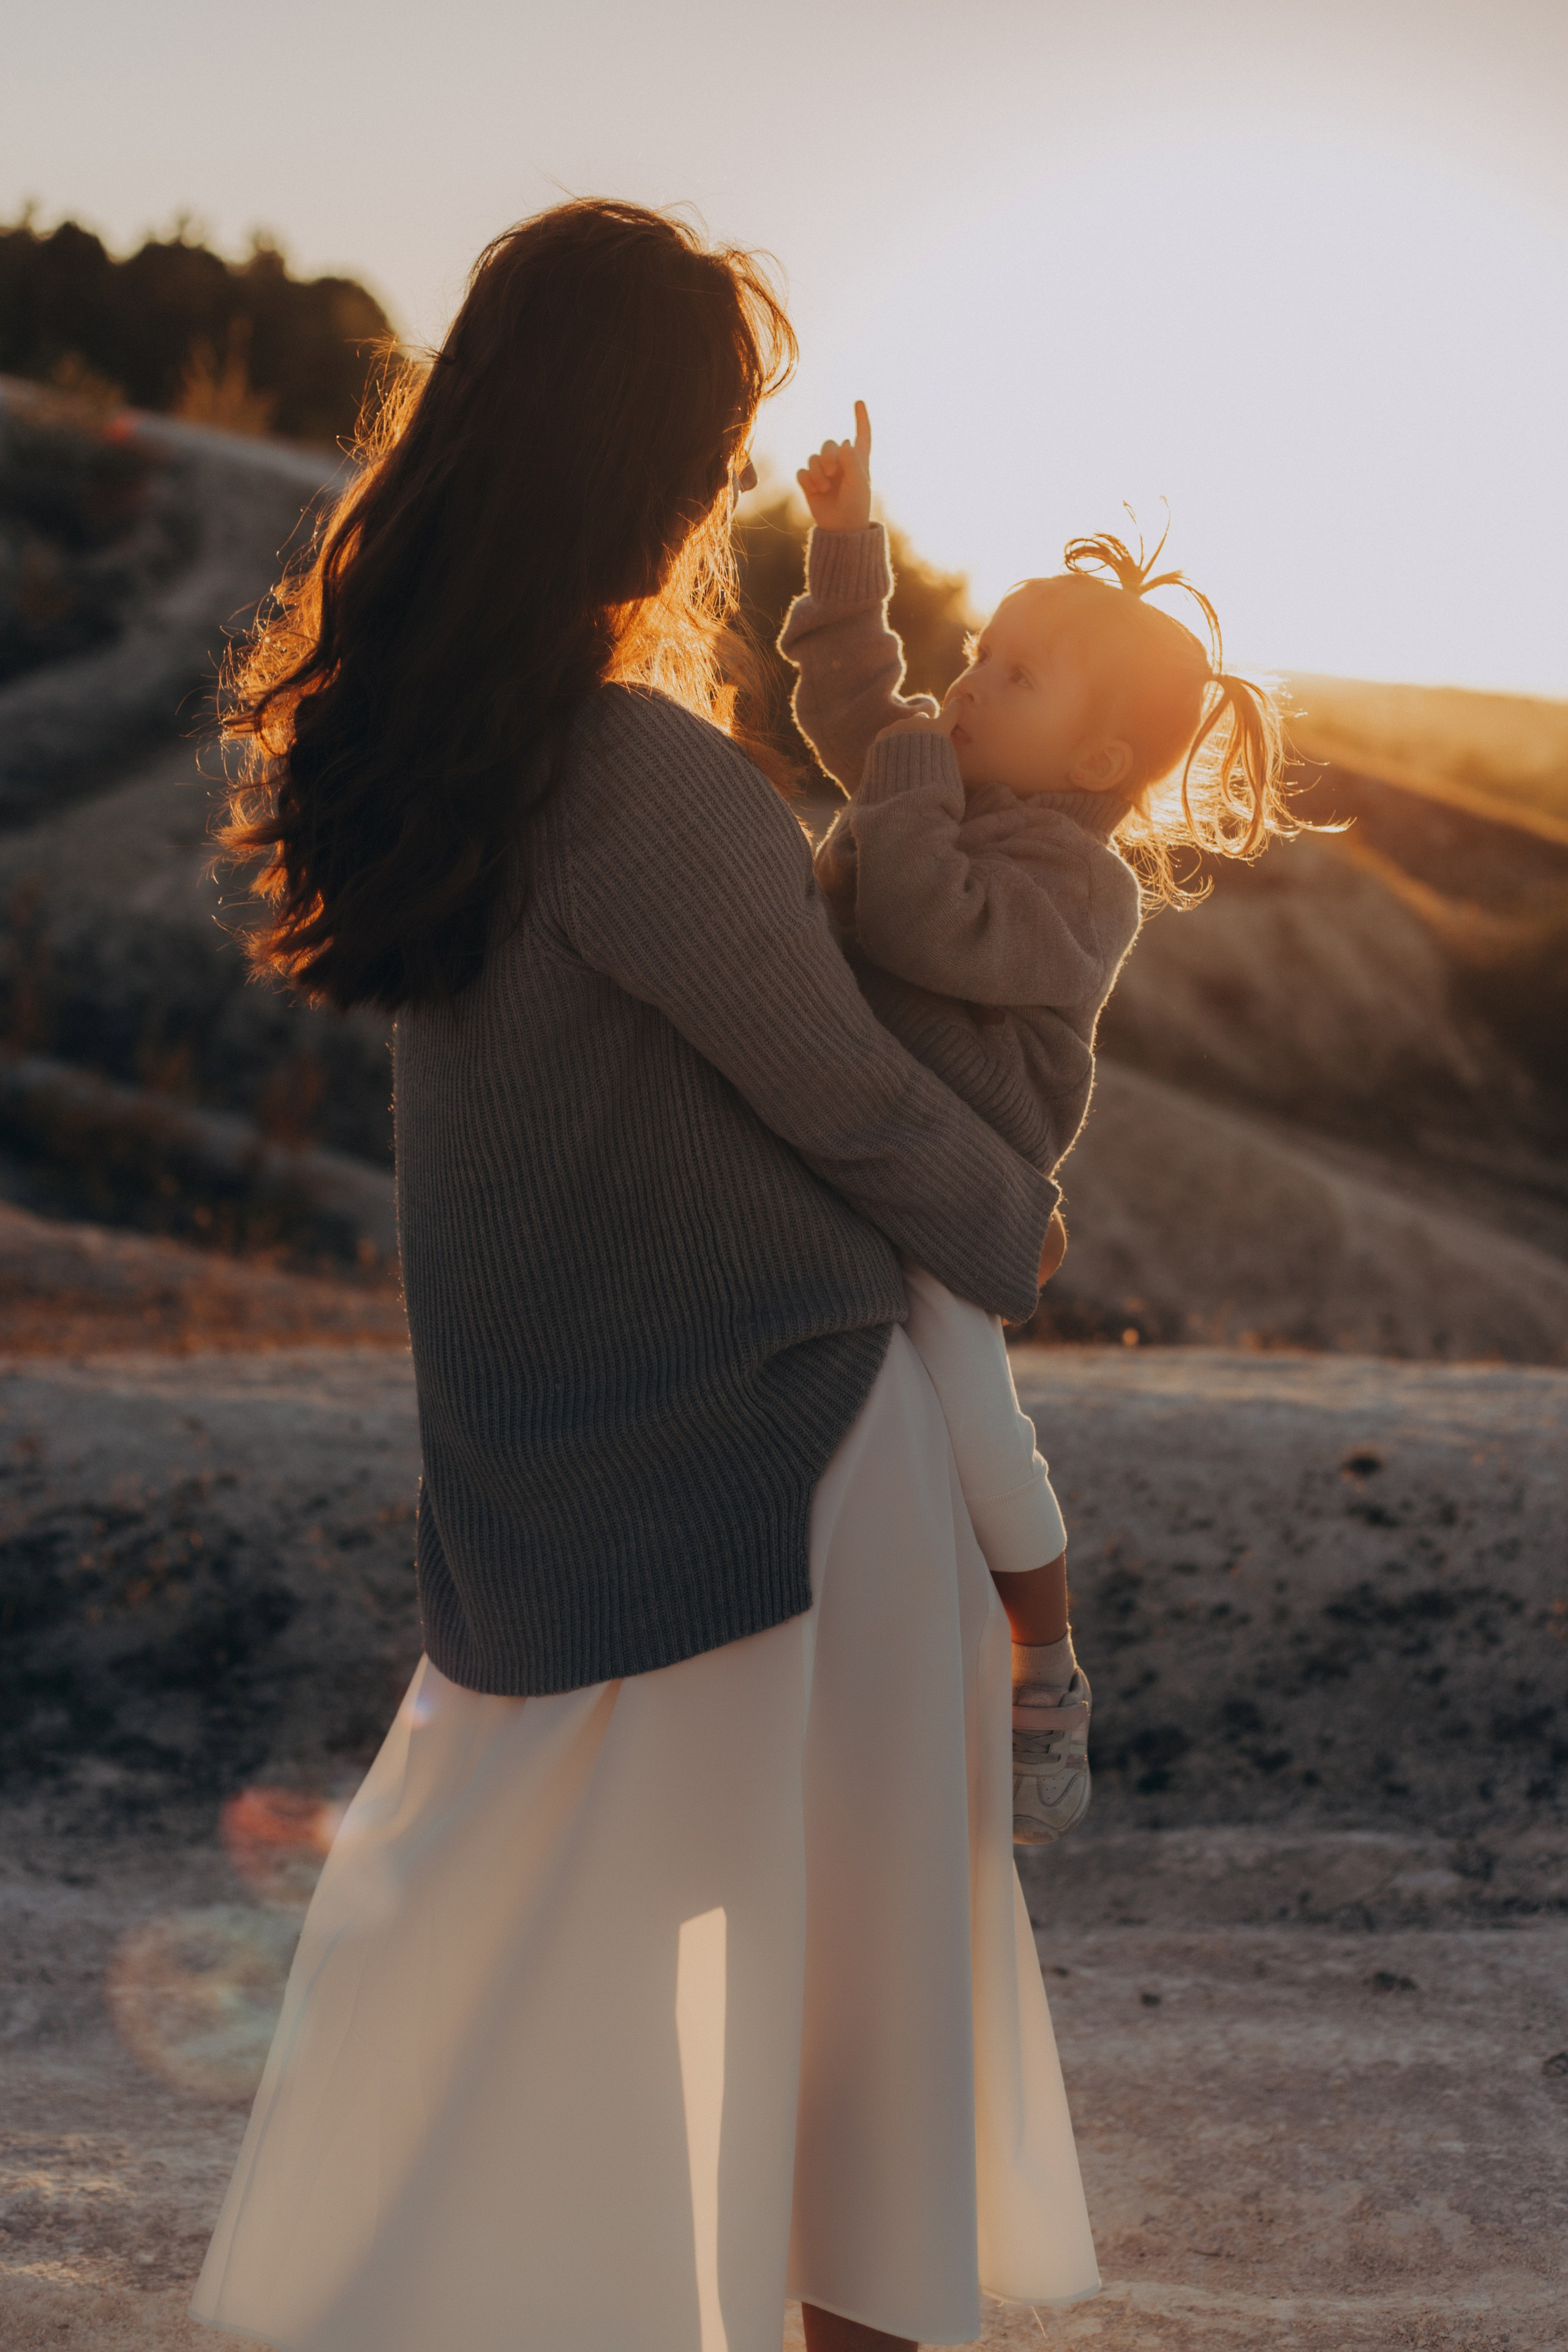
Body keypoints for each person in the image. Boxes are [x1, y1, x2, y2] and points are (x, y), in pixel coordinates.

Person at [188, 203, 1100, 2352]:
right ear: (653, 460)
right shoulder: (639, 779)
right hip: (781, 1477)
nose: (723, 484)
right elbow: (857, 1106)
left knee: (531, 2029)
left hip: (543, 1499)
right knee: (868, 2126)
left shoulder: (433, 759)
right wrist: (1014, 1230)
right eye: (717, 437)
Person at [780, 402, 1290, 1849]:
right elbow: (849, 709)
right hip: (855, 1146)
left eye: (1012, 676)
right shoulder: (935, 773)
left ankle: (1045, 1668)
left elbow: (923, 922)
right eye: (976, 655)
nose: (964, 685)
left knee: (979, 1420)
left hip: (955, 1187)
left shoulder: (1078, 889)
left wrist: (900, 773)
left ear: (1094, 762)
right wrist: (842, 553)